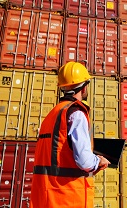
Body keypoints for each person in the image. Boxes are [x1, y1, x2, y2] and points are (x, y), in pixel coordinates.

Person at [30, 62, 110, 208]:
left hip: (45, 197)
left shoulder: (52, 114)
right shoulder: (77, 113)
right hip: (68, 198)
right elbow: (84, 161)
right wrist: (99, 161)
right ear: (85, 87)